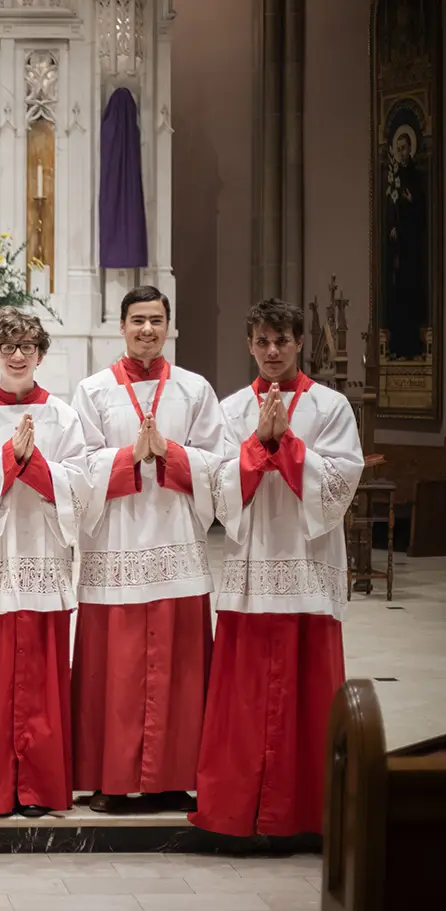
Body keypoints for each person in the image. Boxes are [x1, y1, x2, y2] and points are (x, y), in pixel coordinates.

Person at [192, 299, 363, 837]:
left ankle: (306, 815)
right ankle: (239, 812)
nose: (272, 351)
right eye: (262, 341)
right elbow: (216, 489)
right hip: (251, 567)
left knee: (305, 696)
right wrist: (257, 447)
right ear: (249, 344)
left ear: (298, 344)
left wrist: (283, 443)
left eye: (282, 341)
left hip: (308, 567)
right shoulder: (230, 407)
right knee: (245, 698)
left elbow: (339, 485)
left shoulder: (331, 406)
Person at [71, 285, 229, 814]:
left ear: (168, 326)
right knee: (115, 670)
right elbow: (77, 467)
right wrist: (126, 457)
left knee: (177, 668)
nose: (146, 329)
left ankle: (172, 777)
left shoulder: (194, 390)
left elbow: (220, 465)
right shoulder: (92, 391)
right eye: (137, 319)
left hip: (176, 545)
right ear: (122, 326)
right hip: (115, 544)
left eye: (156, 320)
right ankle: (113, 778)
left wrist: (170, 453)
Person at [0, 308, 88, 818]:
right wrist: (8, 460)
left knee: (42, 676)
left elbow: (81, 485)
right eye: (8, 347)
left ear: (40, 354)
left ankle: (38, 788)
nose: (17, 355)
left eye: (27, 347)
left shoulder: (64, 416)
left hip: (43, 558)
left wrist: (31, 464)